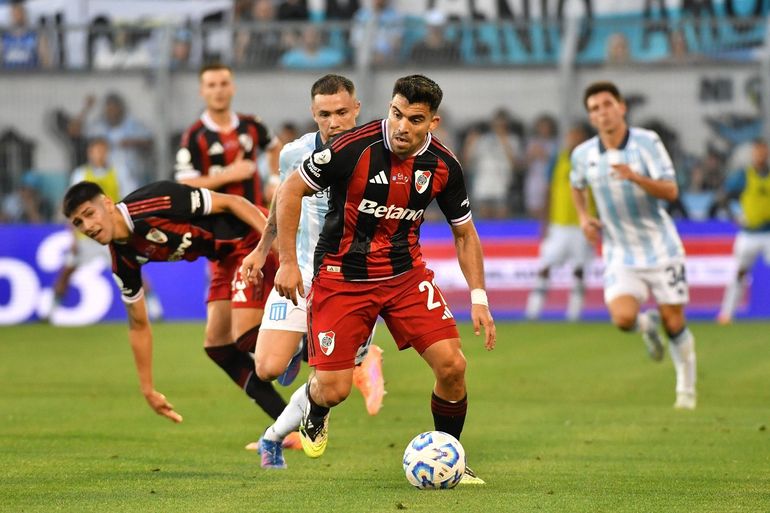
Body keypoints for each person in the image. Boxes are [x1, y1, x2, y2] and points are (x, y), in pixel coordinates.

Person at [271, 74, 496, 483]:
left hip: (405, 276)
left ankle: (451, 459)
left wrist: (478, 296)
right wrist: (287, 261)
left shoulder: (443, 166)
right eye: (396, 114)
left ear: (433, 123)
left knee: (453, 367)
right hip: (342, 278)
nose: (401, 127)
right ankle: (316, 407)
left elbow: (464, 232)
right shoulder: (351, 148)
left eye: (414, 119)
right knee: (334, 389)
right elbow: (289, 193)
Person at [240, 74, 385, 469]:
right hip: (301, 269)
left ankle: (273, 439)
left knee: (328, 384)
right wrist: (261, 249)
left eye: (341, 112)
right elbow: (281, 204)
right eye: (324, 114)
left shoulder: (378, 152)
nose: (334, 121)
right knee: (267, 367)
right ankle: (317, 347)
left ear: (356, 108)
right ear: (313, 113)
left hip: (351, 280)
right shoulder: (295, 153)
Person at [62, 180, 288, 426]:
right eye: (78, 223)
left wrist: (276, 248)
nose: (87, 226)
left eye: (89, 214)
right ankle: (291, 425)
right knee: (218, 345)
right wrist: (148, 388)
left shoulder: (153, 200)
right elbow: (138, 325)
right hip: (223, 258)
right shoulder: (122, 259)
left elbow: (234, 202)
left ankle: (307, 346)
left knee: (243, 334)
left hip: (252, 238)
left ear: (107, 203)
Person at [570, 81, 697, 410]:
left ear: (622, 107)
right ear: (591, 117)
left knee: (675, 321)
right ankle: (646, 323)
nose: (602, 112)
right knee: (623, 318)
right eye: (595, 108)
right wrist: (584, 218)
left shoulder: (646, 142)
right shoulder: (583, 154)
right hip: (619, 250)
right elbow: (576, 185)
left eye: (607, 104)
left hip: (661, 247)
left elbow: (671, 191)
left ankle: (686, 390)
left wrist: (636, 177)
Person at [175, 62, 282, 208]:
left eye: (224, 84)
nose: (218, 90)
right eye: (211, 85)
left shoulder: (251, 124)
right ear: (202, 91)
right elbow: (185, 184)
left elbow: (275, 147)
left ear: (233, 88)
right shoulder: (193, 135)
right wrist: (229, 175)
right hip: (215, 223)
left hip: (255, 214)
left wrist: (274, 180)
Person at [526, 122, 594, 321]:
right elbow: (548, 190)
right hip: (558, 225)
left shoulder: (592, 160)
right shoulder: (558, 158)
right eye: (570, 135)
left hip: (583, 225)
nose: (571, 139)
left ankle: (574, 315)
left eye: (576, 135)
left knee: (580, 269)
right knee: (545, 266)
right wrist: (544, 221)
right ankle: (532, 313)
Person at [717, 138, 770, 324]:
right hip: (748, 234)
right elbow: (723, 195)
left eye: (763, 151)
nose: (761, 155)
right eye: (757, 151)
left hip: (769, 233)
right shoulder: (744, 175)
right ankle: (726, 314)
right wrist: (734, 215)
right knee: (740, 274)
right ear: (753, 153)